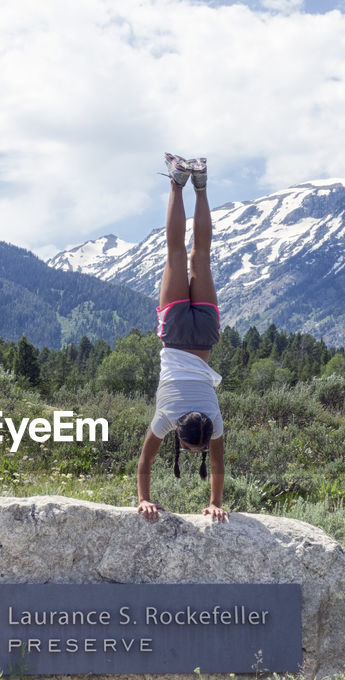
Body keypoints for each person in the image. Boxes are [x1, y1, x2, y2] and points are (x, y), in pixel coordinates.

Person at [136, 153, 228, 524]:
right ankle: (177, 182)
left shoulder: (215, 423)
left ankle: (200, 185)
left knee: (199, 256)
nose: (194, 453)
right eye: (195, 449)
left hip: (205, 336)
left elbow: (219, 463)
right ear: (179, 429)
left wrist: (216, 500)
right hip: (174, 334)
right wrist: (144, 498)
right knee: (176, 254)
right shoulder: (165, 418)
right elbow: (145, 462)